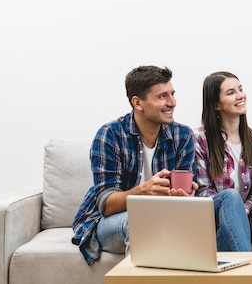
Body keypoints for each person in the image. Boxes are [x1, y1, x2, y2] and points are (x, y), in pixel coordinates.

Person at [72, 65, 197, 265]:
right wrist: (142, 191)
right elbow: (106, 204)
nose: (172, 103)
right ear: (138, 103)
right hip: (112, 221)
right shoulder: (110, 134)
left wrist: (188, 196)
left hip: (165, 217)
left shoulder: (183, 136)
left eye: (172, 94)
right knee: (140, 223)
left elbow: (184, 196)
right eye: (162, 96)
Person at [194, 71, 252, 251]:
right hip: (212, 217)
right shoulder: (200, 138)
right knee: (230, 196)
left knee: (228, 228)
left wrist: (240, 212)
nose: (240, 95)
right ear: (216, 104)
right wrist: (230, 210)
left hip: (245, 221)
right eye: (231, 92)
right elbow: (203, 191)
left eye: (240, 89)